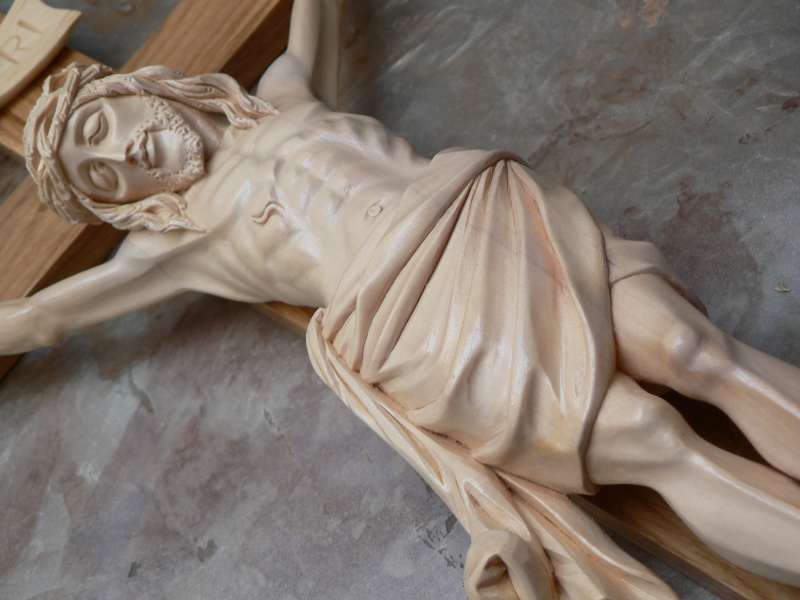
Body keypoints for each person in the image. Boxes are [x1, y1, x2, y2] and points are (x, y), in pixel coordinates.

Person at [3, 0, 800, 597]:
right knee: (657, 439)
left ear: (140, 91)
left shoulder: (283, 93)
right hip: (418, 328)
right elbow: (39, 317)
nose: (123, 154)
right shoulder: (171, 248)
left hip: (487, 222)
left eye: (101, 127)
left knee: (696, 349)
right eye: (100, 176)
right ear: (121, 204)